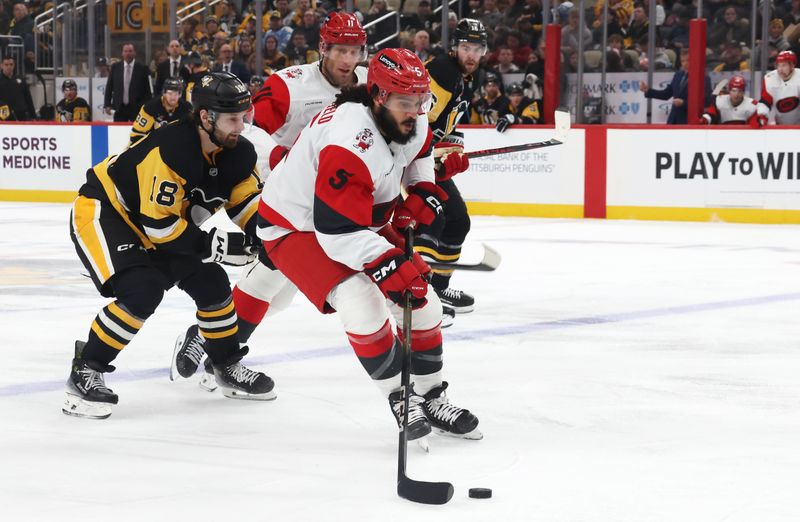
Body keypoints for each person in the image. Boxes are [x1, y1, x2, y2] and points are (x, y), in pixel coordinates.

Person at [257, 48, 481, 441]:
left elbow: (420, 149)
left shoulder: (411, 109)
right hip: (296, 225)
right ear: (378, 96)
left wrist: (421, 189)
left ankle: (431, 397)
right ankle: (400, 397)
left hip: (352, 220)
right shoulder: (349, 141)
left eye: (421, 101)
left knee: (422, 299)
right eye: (406, 103)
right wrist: (385, 261)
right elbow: (336, 231)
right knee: (361, 300)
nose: (416, 111)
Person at [171, 12, 371, 388]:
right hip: (285, 195)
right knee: (270, 273)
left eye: (354, 51)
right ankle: (221, 357)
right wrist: (283, 158)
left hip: (332, 198)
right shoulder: (289, 85)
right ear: (323, 48)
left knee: (278, 297)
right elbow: (244, 131)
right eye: (340, 50)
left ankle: (206, 335)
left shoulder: (369, 85)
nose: (348, 60)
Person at [63, 72, 274, 420]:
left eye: (243, 116)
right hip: (108, 212)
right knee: (141, 291)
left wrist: (266, 237)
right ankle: (85, 369)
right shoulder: (172, 149)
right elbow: (159, 227)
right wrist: (216, 246)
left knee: (213, 283)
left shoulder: (238, 153)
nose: (242, 126)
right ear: (206, 117)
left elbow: (247, 204)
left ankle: (224, 366)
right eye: (233, 119)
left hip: (159, 223)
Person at [415, 19, 482, 318]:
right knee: (432, 218)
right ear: (455, 47)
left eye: (477, 49)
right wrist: (431, 154)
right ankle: (418, 294)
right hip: (406, 159)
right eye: (466, 47)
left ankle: (438, 288)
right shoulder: (443, 71)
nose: (471, 55)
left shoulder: (467, 78)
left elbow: (446, 127)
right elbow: (416, 122)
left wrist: (453, 150)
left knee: (458, 220)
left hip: (425, 157)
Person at [639, 48, 711, 124]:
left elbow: (705, 102)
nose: (685, 64)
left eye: (688, 60)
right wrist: (648, 90)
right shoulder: (678, 75)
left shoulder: (704, 78)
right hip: (673, 120)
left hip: (689, 121)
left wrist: (684, 103)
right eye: (682, 61)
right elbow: (666, 94)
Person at [129, 77, 193, 145]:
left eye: (176, 94)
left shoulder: (185, 109)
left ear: (180, 95)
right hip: (153, 145)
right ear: (164, 93)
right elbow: (137, 134)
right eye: (170, 93)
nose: (173, 97)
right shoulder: (150, 108)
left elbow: (190, 134)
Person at [103, 43, 153, 122]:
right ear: (122, 53)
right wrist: (107, 104)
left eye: (130, 51)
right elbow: (109, 87)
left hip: (137, 108)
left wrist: (146, 106)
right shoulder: (115, 67)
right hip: (119, 107)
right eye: (125, 51)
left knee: (136, 129)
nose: (128, 53)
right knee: (119, 129)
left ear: (134, 53)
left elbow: (147, 90)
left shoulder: (142, 68)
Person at [757, 50, 800, 125]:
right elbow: (765, 102)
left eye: (784, 65)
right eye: (778, 65)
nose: (780, 69)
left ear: (792, 66)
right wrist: (762, 115)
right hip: (780, 125)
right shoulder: (770, 78)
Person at [0, 54, 35, 121]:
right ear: (1, 66)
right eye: (6, 65)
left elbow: (28, 98)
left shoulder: (21, 80)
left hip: (21, 116)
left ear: (14, 65)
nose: (9, 67)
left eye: (11, 64)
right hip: (4, 116)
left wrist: (33, 116)